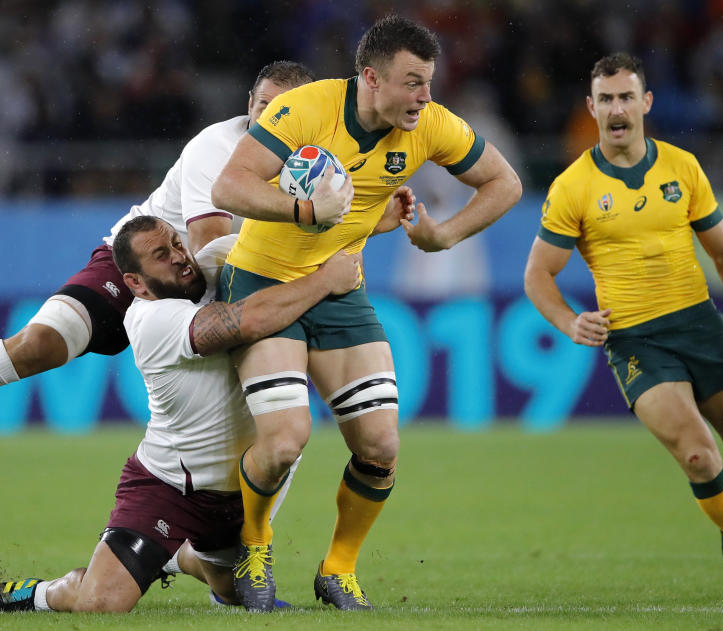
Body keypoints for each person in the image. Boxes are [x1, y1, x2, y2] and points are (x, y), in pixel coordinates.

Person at [0, 60, 315, 460]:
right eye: (261, 106)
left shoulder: (320, 167)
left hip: (211, 292)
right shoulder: (220, 147)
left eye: (283, 110)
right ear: (248, 106)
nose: (267, 119)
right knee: (38, 343)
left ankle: (213, 549)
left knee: (260, 435)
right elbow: (212, 251)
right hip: (144, 266)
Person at [210, 15, 521, 611]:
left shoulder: (429, 124)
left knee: (380, 443)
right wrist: (303, 211)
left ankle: (338, 570)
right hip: (264, 282)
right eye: (412, 82)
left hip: (340, 290)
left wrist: (443, 236)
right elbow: (229, 188)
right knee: (283, 443)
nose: (424, 96)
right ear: (371, 78)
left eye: (428, 82)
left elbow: (504, 183)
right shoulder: (305, 109)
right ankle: (253, 541)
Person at [0, 217, 363, 613]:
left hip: (242, 489)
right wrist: (326, 280)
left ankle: (172, 555)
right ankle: (40, 593)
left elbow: (286, 239)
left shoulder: (216, 262)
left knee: (234, 595)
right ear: (135, 282)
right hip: (169, 487)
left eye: (175, 242)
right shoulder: (150, 319)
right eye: (161, 254)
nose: (178, 256)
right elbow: (248, 321)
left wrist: (380, 220)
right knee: (101, 604)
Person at [523, 53, 723, 575]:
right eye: (606, 99)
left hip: (700, 325)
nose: (616, 108)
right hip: (638, 341)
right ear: (591, 108)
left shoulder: (682, 167)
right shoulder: (573, 186)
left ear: (646, 102)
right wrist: (570, 321)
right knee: (697, 456)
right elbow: (538, 276)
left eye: (625, 97)